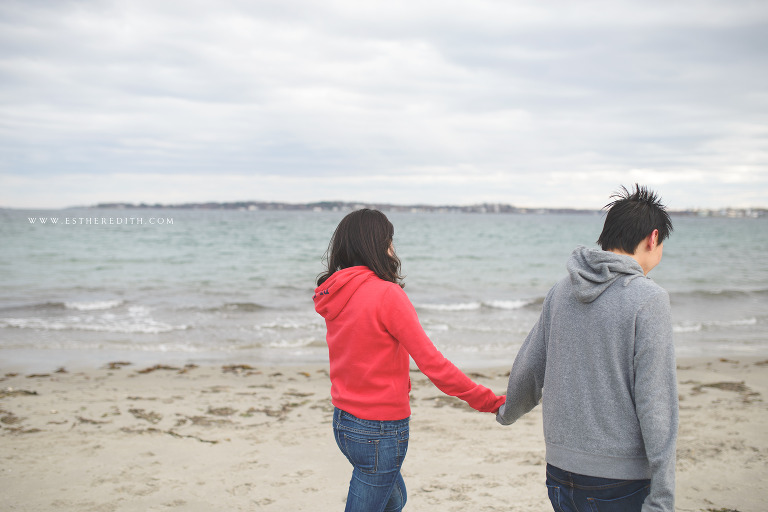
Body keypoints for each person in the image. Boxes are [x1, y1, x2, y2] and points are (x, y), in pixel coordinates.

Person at [496, 184, 678, 512]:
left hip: (559, 471)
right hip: (619, 479)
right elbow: (656, 403)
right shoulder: (649, 299)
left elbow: (530, 366)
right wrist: (663, 498)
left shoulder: (561, 290)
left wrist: (507, 412)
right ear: (653, 238)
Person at [314, 208, 505, 512]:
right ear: (378, 245)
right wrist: (488, 401)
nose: (393, 247)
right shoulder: (386, 294)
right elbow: (433, 364)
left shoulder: (335, 291)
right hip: (379, 430)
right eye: (390, 240)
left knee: (395, 501)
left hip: (344, 423)